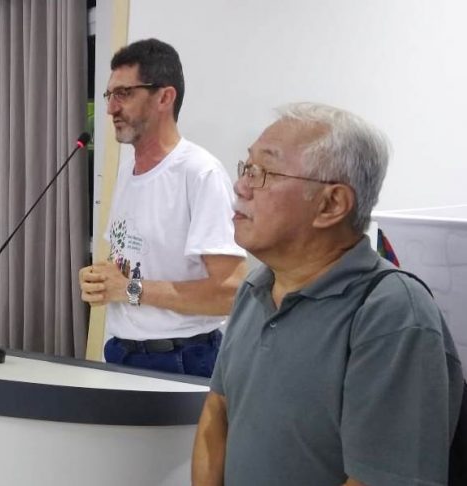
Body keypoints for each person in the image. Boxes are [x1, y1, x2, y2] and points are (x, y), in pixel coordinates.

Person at [191, 102, 464, 485]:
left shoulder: (391, 313)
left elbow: (380, 478)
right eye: (246, 167)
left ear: (332, 204)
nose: (241, 186)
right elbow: (217, 412)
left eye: (263, 172)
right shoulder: (255, 288)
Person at [78, 39, 246, 377]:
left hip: (181, 358)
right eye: (110, 95)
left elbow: (230, 293)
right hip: (121, 350)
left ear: (164, 98)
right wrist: (101, 279)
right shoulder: (127, 170)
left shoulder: (199, 173)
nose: (110, 109)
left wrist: (129, 290)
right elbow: (130, 259)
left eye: (124, 93)